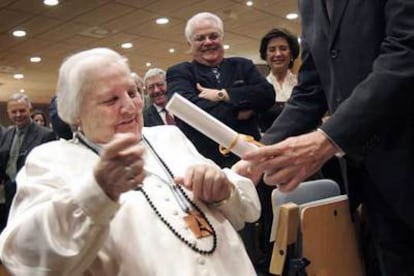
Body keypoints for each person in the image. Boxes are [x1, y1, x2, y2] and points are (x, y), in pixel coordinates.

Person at [0, 48, 261, 275]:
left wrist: (223, 192)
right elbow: (26, 258)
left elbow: (243, 215)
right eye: (111, 99)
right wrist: (96, 192)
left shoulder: (169, 136)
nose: (130, 107)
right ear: (76, 112)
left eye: (133, 92)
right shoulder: (51, 160)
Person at [234, 1, 414, 275]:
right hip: (373, 178)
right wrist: (260, 151)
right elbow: (311, 88)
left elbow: (405, 54)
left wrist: (328, 138)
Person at [167, 12, 275, 169]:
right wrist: (238, 112)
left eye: (213, 36)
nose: (208, 42)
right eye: (200, 38)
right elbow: (186, 109)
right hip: (206, 165)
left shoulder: (243, 65)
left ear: (222, 38)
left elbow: (266, 94)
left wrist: (224, 95)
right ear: (190, 43)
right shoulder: (180, 72)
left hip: (250, 160)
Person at [0, 93, 56, 233]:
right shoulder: (7, 133)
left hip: (32, 192)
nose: (18, 114)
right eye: (14, 112)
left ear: (29, 110)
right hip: (9, 191)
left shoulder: (46, 134)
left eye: (22, 110)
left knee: (26, 231)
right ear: (9, 113)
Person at [257, 27, 299, 132]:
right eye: (272, 50)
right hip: (269, 145)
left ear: (292, 54)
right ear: (265, 55)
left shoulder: (303, 85)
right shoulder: (258, 88)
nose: (278, 54)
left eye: (283, 48)